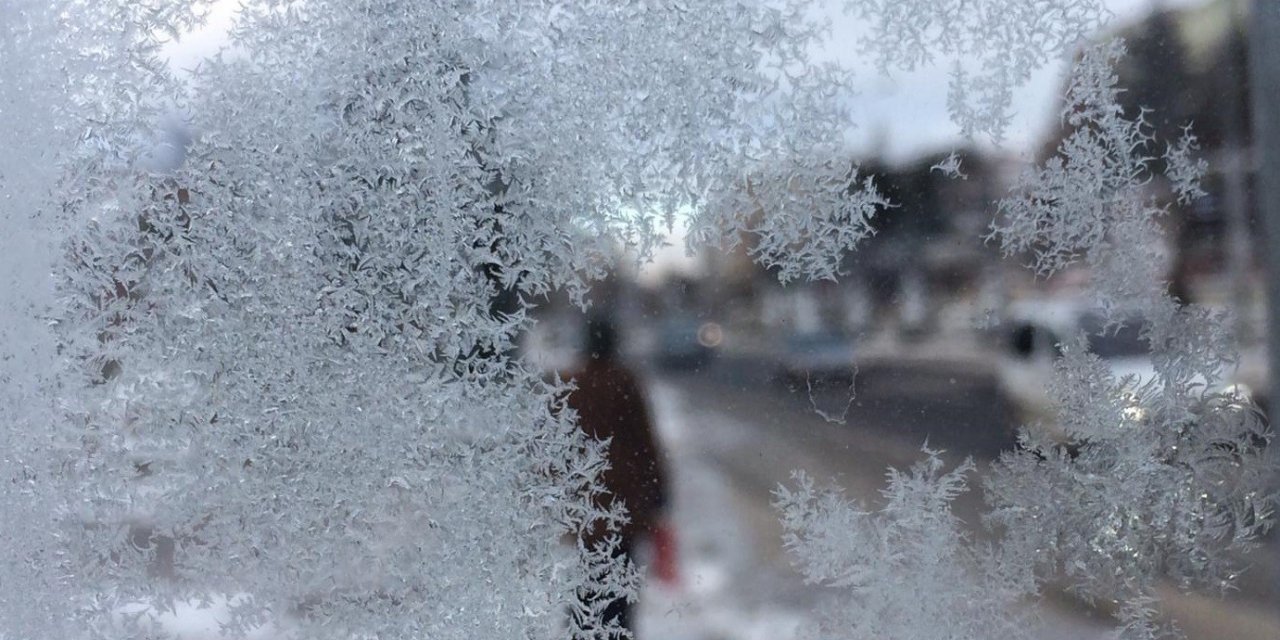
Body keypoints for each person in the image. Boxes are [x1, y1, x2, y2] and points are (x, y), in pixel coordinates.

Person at [564, 314, 669, 639]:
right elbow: (644, 444)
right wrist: (658, 494)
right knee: (619, 597)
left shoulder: (571, 383)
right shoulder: (624, 382)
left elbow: (555, 447)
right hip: (622, 509)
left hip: (585, 508)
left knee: (587, 589)